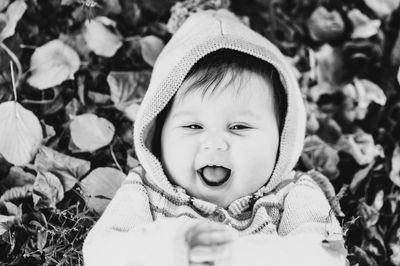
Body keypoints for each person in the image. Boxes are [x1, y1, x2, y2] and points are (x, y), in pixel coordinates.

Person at [83, 9, 347, 266]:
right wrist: (170, 247)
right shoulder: (145, 192)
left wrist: (239, 256)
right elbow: (102, 253)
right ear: (158, 133)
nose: (215, 142)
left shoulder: (294, 194)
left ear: (281, 138)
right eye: (193, 126)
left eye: (239, 127)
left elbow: (324, 256)